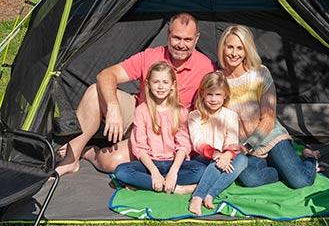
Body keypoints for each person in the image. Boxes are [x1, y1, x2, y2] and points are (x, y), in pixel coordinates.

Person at [55, 12, 216, 176]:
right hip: (139, 117)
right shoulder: (150, 56)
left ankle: (89, 152)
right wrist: (113, 107)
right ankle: (70, 160)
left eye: (187, 40)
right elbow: (106, 75)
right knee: (95, 92)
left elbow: (213, 106)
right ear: (168, 34)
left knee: (112, 163)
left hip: (170, 133)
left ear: (196, 39)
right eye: (176, 38)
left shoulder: (206, 67)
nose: (181, 44)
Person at [217, 25, 320, 189]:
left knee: (300, 181)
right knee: (249, 179)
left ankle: (310, 158)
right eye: (230, 47)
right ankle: (283, 168)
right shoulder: (218, 79)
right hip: (243, 146)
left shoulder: (260, 73)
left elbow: (269, 118)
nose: (234, 53)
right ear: (223, 48)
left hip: (269, 138)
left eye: (240, 48)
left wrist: (248, 146)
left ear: (246, 51)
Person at [113, 61, 205, 194]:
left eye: (165, 82)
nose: (160, 87)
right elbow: (139, 147)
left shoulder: (180, 111)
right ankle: (175, 188)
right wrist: (154, 172)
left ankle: (147, 183)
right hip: (150, 164)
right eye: (156, 82)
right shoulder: (142, 111)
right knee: (121, 171)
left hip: (174, 163)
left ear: (172, 85)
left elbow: (183, 145)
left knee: (200, 170)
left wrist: (173, 172)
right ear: (148, 84)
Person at [188, 71, 247, 216]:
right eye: (210, 94)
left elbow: (232, 140)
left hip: (224, 158)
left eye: (218, 95)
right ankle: (197, 197)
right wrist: (216, 154)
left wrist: (227, 154)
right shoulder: (194, 116)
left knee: (243, 159)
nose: (214, 99)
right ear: (202, 94)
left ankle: (210, 194)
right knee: (215, 164)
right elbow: (197, 142)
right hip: (202, 157)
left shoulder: (230, 116)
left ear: (225, 95)